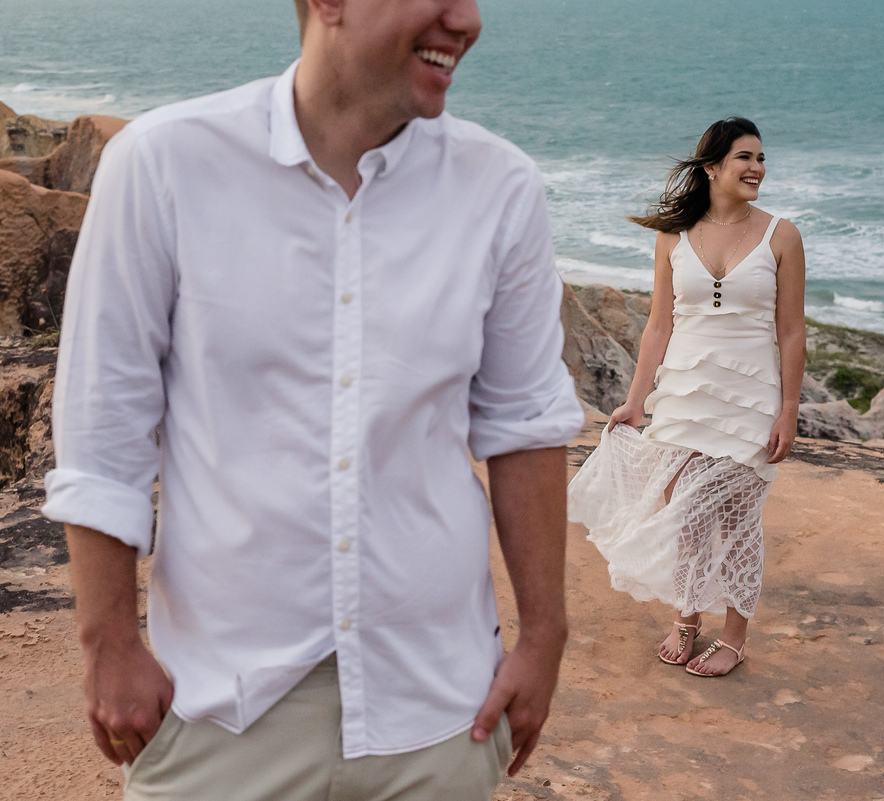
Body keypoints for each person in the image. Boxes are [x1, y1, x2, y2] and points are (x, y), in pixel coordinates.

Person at [40, 0, 584, 798]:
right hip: (221, 715)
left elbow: (525, 424)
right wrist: (107, 641)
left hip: (438, 710)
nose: (466, 19)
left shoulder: (502, 188)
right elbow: (102, 431)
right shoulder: (161, 165)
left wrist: (544, 635)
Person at [567, 117, 805, 678]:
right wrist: (636, 400)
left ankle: (735, 638)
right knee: (686, 514)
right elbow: (658, 324)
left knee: (738, 515)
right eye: (744, 157)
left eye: (761, 158)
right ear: (711, 167)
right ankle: (687, 620)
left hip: (751, 395)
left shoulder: (782, 235)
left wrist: (789, 408)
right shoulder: (673, 235)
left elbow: (792, 331)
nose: (757, 168)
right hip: (684, 392)